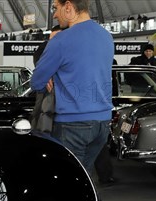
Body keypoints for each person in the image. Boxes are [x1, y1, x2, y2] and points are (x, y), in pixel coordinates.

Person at [30, 0, 114, 173]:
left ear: (68, 6)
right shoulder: (106, 36)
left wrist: (51, 74)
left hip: (72, 123)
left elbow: (37, 82)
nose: (54, 14)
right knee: (84, 178)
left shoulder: (61, 40)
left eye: (55, 8)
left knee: (66, 182)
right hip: (103, 123)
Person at [30, 25, 64, 137]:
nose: (52, 42)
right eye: (51, 39)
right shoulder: (44, 48)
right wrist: (46, 74)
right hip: (45, 98)